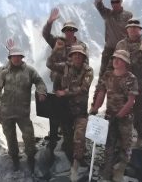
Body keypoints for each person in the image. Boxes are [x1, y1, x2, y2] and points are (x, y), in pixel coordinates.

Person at [0, 46, 47, 172]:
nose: (16, 59)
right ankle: (15, 159)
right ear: (10, 58)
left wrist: (42, 92)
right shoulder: (4, 72)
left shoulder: (29, 71)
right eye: (14, 56)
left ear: (22, 57)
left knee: (29, 136)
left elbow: (39, 81)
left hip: (23, 112)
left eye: (19, 56)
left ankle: (31, 158)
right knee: (10, 137)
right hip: (7, 111)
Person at [90, 50, 138, 182]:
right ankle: (107, 171)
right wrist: (95, 108)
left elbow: (131, 100)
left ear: (126, 62)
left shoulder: (131, 78)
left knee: (125, 144)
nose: (116, 61)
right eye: (114, 58)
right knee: (109, 145)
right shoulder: (108, 75)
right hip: (109, 116)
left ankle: (120, 171)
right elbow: (101, 93)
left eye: (120, 59)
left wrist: (119, 116)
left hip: (125, 118)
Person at [46, 45, 93, 181]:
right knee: (67, 139)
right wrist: (56, 50)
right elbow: (49, 64)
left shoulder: (88, 70)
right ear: (71, 56)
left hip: (80, 112)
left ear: (84, 57)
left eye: (80, 55)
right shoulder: (65, 66)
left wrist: (65, 92)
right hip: (65, 110)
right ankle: (69, 158)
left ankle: (77, 164)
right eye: (75, 55)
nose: (77, 57)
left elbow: (83, 89)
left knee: (79, 137)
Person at [42, 7, 88, 144]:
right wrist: (49, 22)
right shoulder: (58, 41)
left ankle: (74, 132)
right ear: (64, 31)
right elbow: (45, 35)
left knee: (74, 105)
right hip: (58, 78)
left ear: (74, 31)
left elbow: (86, 64)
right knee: (56, 104)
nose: (69, 32)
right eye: (67, 30)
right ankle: (55, 133)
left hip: (74, 80)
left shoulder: (81, 46)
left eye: (71, 30)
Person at [115, 18, 142, 147]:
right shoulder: (120, 45)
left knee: (141, 113)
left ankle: (140, 137)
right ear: (127, 29)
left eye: (136, 27)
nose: (133, 29)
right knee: (122, 112)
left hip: (141, 86)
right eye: (131, 27)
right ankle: (122, 139)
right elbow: (115, 63)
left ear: (140, 30)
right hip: (124, 86)